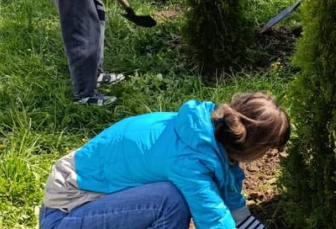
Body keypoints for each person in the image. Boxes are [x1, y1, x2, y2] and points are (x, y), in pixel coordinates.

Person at [38, 92, 290, 229]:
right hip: (66, 214)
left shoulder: (207, 133)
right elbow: (214, 220)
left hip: (99, 201)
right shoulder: (190, 159)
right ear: (253, 148)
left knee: (172, 198)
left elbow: (234, 211)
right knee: (170, 201)